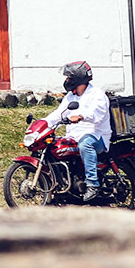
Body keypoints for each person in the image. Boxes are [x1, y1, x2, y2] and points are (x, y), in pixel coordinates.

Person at [44, 61, 111, 202]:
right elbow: (59, 114)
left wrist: (81, 116)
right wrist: (43, 124)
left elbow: (96, 113)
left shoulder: (97, 95)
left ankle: (93, 184)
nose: (66, 80)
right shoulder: (71, 96)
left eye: (69, 77)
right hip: (74, 136)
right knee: (54, 146)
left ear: (78, 78)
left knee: (85, 145)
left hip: (96, 136)